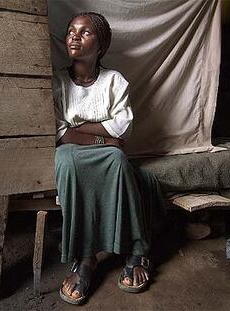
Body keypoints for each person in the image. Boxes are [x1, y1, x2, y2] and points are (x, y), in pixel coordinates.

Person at [53, 12, 161, 305]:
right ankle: (86, 258)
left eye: (85, 32)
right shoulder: (57, 82)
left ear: (101, 46)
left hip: (109, 154)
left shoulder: (115, 81)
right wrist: (103, 137)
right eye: (71, 30)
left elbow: (121, 128)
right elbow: (60, 134)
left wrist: (81, 130)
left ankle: (137, 250)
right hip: (72, 153)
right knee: (67, 160)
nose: (74, 36)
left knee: (117, 161)